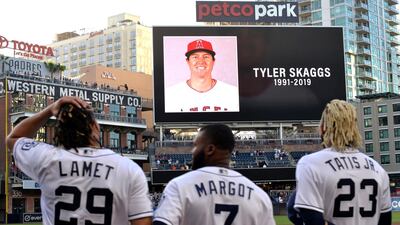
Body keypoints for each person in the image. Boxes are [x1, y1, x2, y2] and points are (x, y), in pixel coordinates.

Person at [7, 96, 152, 225]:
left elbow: (13, 138)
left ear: (60, 131)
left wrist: (50, 110)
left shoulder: (47, 158)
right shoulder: (127, 168)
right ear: (95, 126)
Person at [153, 124, 275, 225]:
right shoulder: (260, 196)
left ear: (210, 149)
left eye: (195, 146)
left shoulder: (180, 186)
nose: (192, 151)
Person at [294, 99, 392, 225]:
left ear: (324, 127)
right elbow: (385, 220)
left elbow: (312, 218)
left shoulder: (310, 163)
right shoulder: (378, 169)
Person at [164, 39, 239, 113]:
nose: (201, 61)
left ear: (213, 61)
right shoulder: (170, 95)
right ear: (187, 62)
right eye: (195, 57)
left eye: (206, 57)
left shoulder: (234, 94)